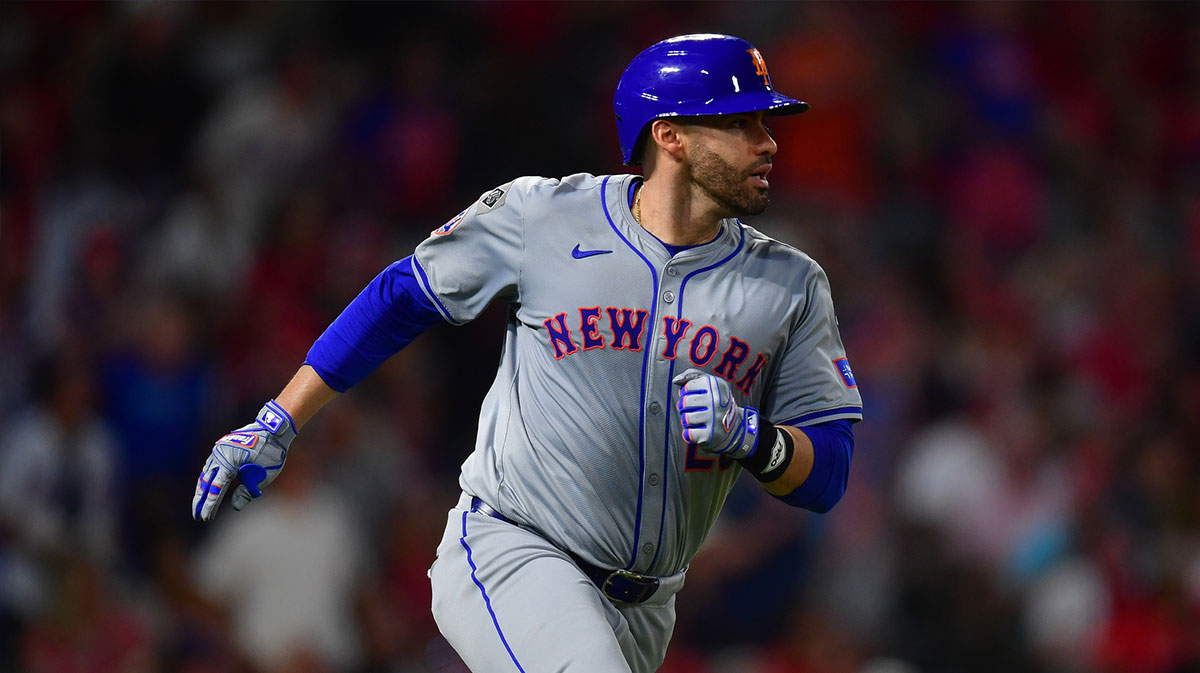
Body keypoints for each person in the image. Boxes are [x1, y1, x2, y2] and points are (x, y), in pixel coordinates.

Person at [192, 33, 863, 673]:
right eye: (741, 122)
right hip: (515, 551)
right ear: (671, 136)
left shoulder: (790, 283)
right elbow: (403, 294)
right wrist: (279, 418)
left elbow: (829, 470)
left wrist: (755, 437)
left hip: (647, 604)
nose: (767, 142)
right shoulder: (545, 217)